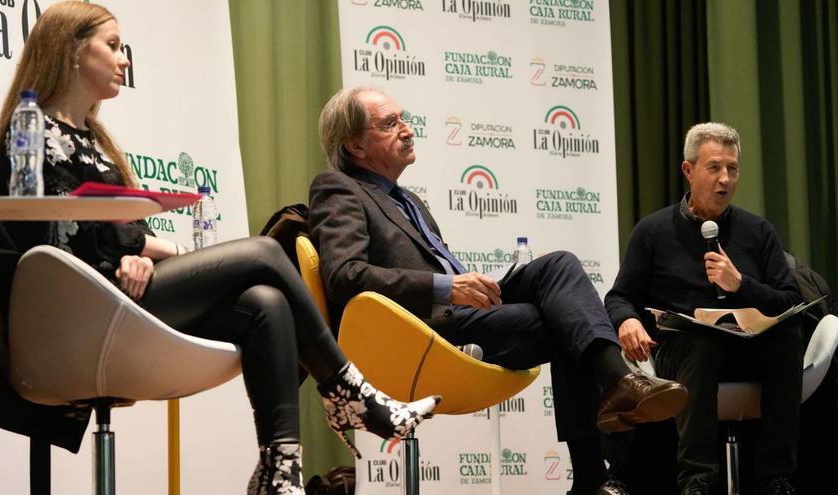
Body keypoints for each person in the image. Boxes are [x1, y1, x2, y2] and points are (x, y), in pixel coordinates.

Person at [0, 4, 439, 494]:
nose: (124, 60)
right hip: (82, 307)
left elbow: (120, 231)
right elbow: (58, 237)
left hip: (118, 289)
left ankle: (278, 469)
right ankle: (347, 390)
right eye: (113, 46)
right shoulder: (33, 130)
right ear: (74, 51)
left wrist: (140, 249)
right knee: (267, 254)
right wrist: (134, 248)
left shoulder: (95, 142)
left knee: (265, 304)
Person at [308, 87, 689, 495]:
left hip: (459, 312)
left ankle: (614, 404)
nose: (406, 129)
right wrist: (447, 287)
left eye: (403, 118)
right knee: (566, 324)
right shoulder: (339, 188)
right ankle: (600, 458)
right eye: (390, 123)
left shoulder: (411, 201)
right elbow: (345, 275)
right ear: (355, 145)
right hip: (422, 331)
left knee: (559, 265)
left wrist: (464, 286)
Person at [604, 123, 802, 495]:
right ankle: (698, 481)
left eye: (732, 169)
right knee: (702, 342)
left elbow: (790, 301)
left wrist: (741, 285)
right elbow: (618, 297)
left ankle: (776, 479)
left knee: (786, 339)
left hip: (747, 349)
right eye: (714, 168)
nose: (725, 179)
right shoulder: (653, 231)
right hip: (682, 353)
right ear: (688, 170)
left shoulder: (757, 232)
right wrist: (627, 320)